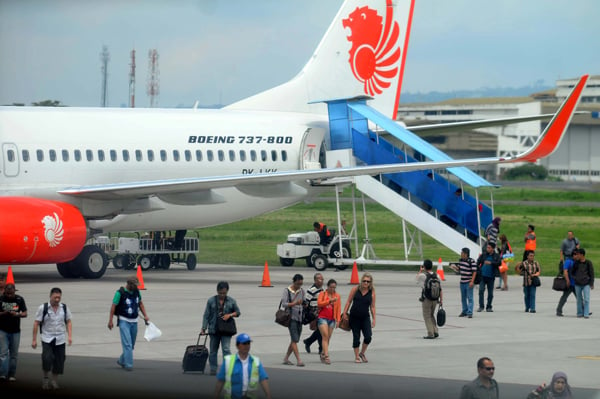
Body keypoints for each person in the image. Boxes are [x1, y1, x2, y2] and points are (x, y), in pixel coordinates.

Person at [31, 287, 72, 390]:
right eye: (55, 297)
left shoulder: (64, 308)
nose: (57, 300)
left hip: (60, 338)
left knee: (60, 360)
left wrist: (70, 336)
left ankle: (54, 380)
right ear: (50, 296)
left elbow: (68, 321)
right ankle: (45, 379)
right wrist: (34, 339)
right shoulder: (43, 308)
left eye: (59, 297)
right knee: (47, 358)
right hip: (47, 337)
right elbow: (36, 323)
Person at [107, 275, 150, 371]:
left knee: (132, 344)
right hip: (124, 321)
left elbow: (141, 304)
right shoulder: (120, 293)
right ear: (129, 285)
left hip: (134, 321)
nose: (136, 287)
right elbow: (113, 306)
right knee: (127, 344)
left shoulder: (137, 292)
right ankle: (128, 364)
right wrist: (110, 321)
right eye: (135, 285)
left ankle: (122, 360)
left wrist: (145, 316)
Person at [213, 333, 272, 399]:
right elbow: (220, 381)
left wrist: (268, 395)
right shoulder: (228, 361)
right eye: (244, 344)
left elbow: (263, 379)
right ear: (237, 346)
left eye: (248, 343)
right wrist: (216, 396)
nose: (247, 346)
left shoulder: (256, 361)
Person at [202, 281, 241, 375]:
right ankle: (213, 368)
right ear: (217, 291)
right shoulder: (211, 300)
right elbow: (206, 315)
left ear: (227, 291)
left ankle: (228, 369)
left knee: (226, 349)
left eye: (224, 293)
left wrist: (230, 315)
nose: (222, 295)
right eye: (220, 293)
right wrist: (203, 327)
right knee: (213, 350)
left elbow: (238, 312)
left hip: (226, 329)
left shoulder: (231, 301)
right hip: (213, 329)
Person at [342, 272, 376, 363]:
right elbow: (349, 301)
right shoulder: (355, 289)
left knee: (368, 337)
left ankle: (362, 353)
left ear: (370, 283)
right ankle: (357, 356)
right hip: (354, 317)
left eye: (368, 281)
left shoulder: (372, 292)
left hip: (365, 317)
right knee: (356, 337)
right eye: (364, 281)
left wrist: (374, 319)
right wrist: (344, 313)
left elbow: (372, 307)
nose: (366, 283)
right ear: (361, 281)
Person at [0, 283, 27, 382]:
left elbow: (25, 313)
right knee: (3, 353)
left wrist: (16, 314)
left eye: (11, 293)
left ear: (14, 291)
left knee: (14, 354)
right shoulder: (1, 299)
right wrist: (3, 313)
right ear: (5, 292)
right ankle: (3, 373)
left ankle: (12, 374)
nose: (9, 295)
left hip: (15, 331)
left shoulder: (19, 299)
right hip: (2, 330)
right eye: (8, 293)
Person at [281, 274, 305, 367]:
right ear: (294, 282)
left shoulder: (302, 291)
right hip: (291, 318)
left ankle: (286, 358)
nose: (299, 286)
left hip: (299, 318)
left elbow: (303, 301)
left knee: (295, 340)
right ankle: (299, 360)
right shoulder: (287, 290)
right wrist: (294, 303)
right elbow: (284, 304)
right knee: (294, 339)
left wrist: (304, 304)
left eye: (301, 284)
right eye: (298, 284)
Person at [416, 259, 442, 339]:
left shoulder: (423, 276)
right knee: (431, 315)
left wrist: (420, 271)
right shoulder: (437, 276)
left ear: (424, 266)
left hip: (427, 299)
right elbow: (440, 289)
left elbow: (417, 279)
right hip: (435, 299)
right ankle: (435, 331)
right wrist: (441, 300)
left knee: (426, 316)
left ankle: (431, 333)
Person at [317, 278, 341, 364]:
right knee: (325, 336)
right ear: (327, 287)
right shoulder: (322, 294)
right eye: (331, 287)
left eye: (334, 287)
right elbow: (319, 303)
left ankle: (323, 353)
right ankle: (327, 356)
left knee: (328, 338)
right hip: (322, 317)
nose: (332, 289)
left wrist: (338, 320)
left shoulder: (337, 296)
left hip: (332, 319)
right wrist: (329, 301)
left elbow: (338, 308)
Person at [450, 248, 477, 318]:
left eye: (462, 253)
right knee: (463, 298)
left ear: (465, 254)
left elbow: (474, 272)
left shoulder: (471, 261)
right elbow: (459, 269)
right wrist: (454, 267)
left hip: (468, 282)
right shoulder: (461, 261)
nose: (461, 254)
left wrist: (472, 281)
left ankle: (470, 312)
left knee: (470, 297)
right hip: (462, 282)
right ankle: (464, 311)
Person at [302, 273, 324, 355]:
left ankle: (308, 341)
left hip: (320, 312)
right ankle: (320, 348)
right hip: (314, 313)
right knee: (320, 330)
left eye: (322, 279)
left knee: (320, 330)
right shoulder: (312, 290)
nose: (321, 281)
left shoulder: (321, 289)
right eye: (319, 279)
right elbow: (305, 302)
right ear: (315, 280)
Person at [476, 243, 501, 312]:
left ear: (492, 249)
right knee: (481, 291)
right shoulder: (483, 255)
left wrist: (491, 263)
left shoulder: (496, 256)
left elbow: (499, 263)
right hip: (482, 276)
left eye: (489, 248)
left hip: (491, 277)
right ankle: (481, 306)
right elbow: (478, 262)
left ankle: (489, 306)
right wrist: (478, 270)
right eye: (487, 247)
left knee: (490, 293)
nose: (487, 249)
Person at [571, 248, 594, 318]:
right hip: (577, 284)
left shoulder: (588, 263)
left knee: (586, 299)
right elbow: (572, 272)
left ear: (582, 255)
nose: (577, 256)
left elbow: (591, 274)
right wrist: (575, 278)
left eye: (578, 254)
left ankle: (586, 314)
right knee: (579, 300)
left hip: (586, 284)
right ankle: (579, 313)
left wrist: (591, 283)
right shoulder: (576, 263)